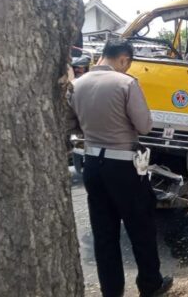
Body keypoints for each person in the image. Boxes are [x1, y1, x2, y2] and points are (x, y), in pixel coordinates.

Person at [68, 39, 172, 297]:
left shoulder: (76, 86)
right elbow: (144, 126)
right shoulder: (126, 83)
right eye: (127, 64)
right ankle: (150, 284)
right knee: (141, 227)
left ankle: (111, 292)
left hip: (92, 165)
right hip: (123, 165)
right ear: (124, 59)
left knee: (104, 234)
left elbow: (73, 124)